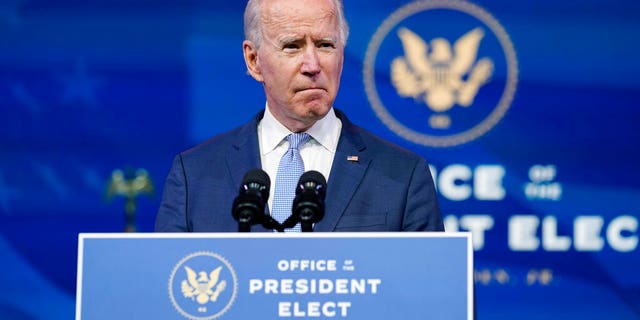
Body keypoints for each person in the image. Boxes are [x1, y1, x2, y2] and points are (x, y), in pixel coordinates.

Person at [155, 0, 444, 232]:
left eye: (325, 45)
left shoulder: (403, 176)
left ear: (342, 56)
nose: (312, 65)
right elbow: (165, 290)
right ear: (254, 60)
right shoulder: (194, 175)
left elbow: (434, 295)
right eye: (292, 46)